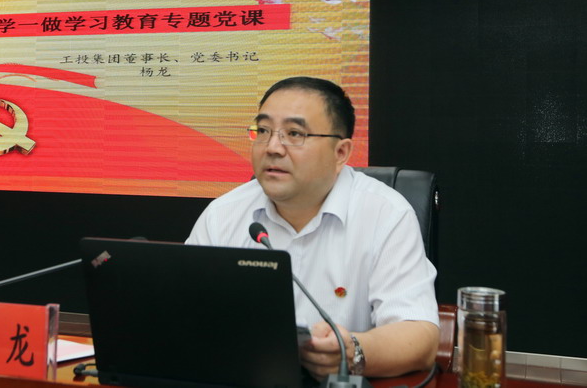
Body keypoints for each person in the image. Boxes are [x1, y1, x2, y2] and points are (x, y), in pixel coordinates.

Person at [185, 76, 439, 378]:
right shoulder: (223, 214)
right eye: (263, 131)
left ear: (340, 153)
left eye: (294, 133)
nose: (273, 147)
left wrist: (353, 352)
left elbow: (420, 336)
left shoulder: (386, 214)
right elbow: (183, 311)